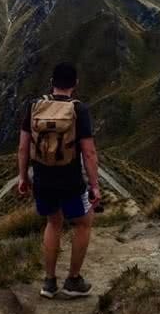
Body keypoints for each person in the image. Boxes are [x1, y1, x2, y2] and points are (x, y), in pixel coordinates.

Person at [17, 62, 101, 299]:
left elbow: (23, 148)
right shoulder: (78, 110)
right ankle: (73, 280)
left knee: (53, 223)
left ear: (52, 82)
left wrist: (23, 177)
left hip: (43, 179)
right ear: (75, 84)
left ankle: (49, 282)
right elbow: (89, 153)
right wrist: (94, 185)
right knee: (83, 222)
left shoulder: (33, 106)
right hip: (71, 181)